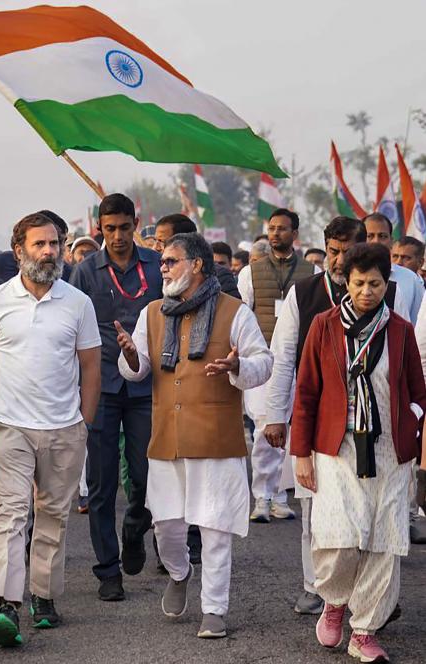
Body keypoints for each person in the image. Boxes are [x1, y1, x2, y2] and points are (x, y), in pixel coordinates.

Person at [0, 212, 101, 647]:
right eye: (39, 244)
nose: (49, 252)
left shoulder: (78, 303)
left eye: (55, 243)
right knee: (12, 514)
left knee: (52, 516)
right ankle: (6, 603)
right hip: (10, 426)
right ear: (19, 251)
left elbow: (91, 367)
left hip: (64, 428)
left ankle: (44, 597)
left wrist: (85, 423)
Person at [117, 232, 272, 639]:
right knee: (166, 528)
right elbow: (137, 368)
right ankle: (179, 571)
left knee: (215, 528)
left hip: (216, 440)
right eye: (162, 263)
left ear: (197, 265)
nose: (163, 268)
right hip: (167, 440)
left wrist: (237, 368)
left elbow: (264, 363)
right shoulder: (152, 313)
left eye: (171, 261)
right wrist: (130, 356)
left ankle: (214, 609)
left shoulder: (234, 312)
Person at [261, 216, 412, 616]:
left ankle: (370, 598)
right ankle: (318, 589)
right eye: (333, 251)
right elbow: (284, 358)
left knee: (376, 519)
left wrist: (411, 422)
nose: (340, 260)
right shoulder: (303, 293)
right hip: (323, 424)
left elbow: (410, 362)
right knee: (318, 514)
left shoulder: (394, 292)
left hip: (379, 430)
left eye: (349, 252)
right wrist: (275, 415)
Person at [291, 242, 426, 663]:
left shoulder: (400, 330)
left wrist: (410, 419)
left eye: (376, 284)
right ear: (345, 283)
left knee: (385, 542)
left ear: (388, 285)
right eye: (359, 283)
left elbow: (418, 389)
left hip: (390, 450)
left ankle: (364, 630)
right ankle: (334, 600)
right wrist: (301, 453)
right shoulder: (324, 326)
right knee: (339, 538)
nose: (367, 291)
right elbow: (306, 392)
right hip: (337, 447)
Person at [69, 193, 162, 601]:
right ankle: (108, 569)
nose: (119, 236)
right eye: (110, 229)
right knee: (101, 483)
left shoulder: (156, 267)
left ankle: (136, 526)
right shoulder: (85, 271)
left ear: (135, 224)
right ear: (99, 229)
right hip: (100, 386)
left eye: (125, 227)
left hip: (146, 384)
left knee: (145, 476)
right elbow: (70, 325)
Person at [236, 209, 314, 523]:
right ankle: (261, 497)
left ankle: (280, 496)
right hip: (261, 361)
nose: (275, 234)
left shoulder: (311, 271)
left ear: (294, 234)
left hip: (295, 361)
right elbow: (242, 317)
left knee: (288, 429)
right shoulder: (250, 273)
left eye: (282, 229)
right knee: (263, 429)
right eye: (271, 228)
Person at [152, 214, 240, 298]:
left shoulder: (219, 275)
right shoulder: (155, 272)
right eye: (155, 240)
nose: (155, 247)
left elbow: (231, 306)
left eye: (161, 241)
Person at [363, 213, 423, 323]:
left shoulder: (411, 279)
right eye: (370, 236)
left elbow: (419, 325)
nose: (376, 241)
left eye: (382, 236)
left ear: (391, 241)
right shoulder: (348, 276)